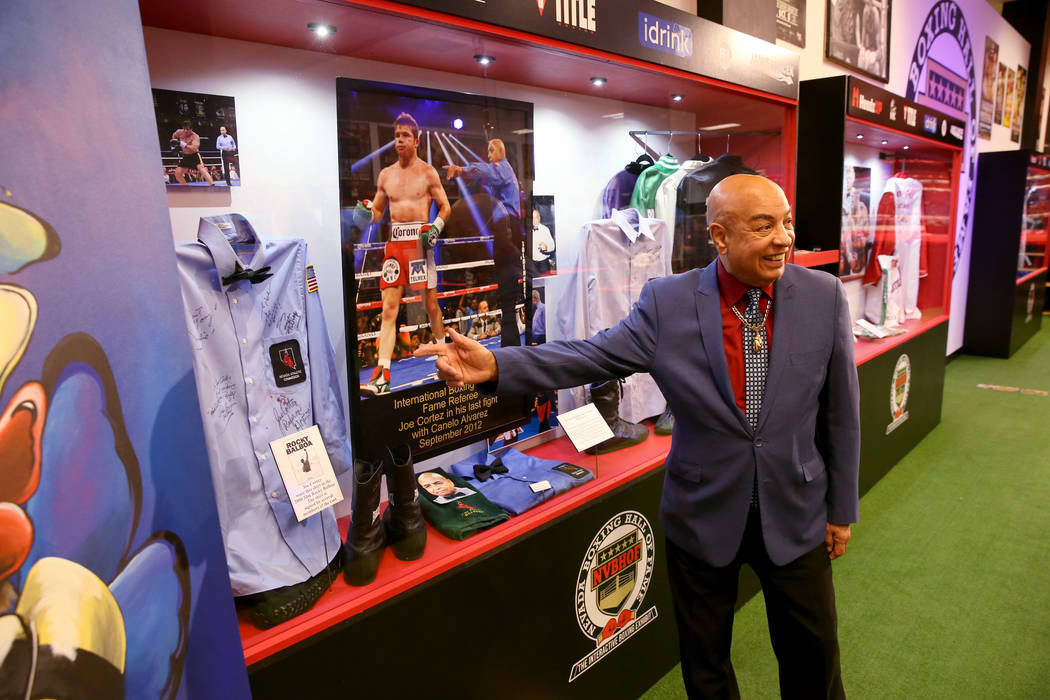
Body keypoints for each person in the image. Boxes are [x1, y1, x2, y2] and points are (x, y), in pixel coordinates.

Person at [416, 174, 860, 699]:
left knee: (814, 658)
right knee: (706, 665)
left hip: (797, 510)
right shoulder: (668, 302)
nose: (783, 238)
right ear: (719, 236)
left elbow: (841, 413)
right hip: (702, 514)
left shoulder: (823, 296)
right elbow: (590, 355)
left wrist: (840, 509)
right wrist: (496, 366)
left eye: (786, 223)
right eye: (764, 227)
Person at [359, 112, 451, 395]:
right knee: (388, 310)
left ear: (416, 140)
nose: (399, 140)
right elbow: (377, 212)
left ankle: (445, 356)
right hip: (395, 245)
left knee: (431, 306)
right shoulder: (385, 174)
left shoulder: (428, 172)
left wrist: (435, 228)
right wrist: (366, 213)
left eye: (405, 135)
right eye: (397, 135)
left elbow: (445, 207)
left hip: (419, 245)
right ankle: (382, 374)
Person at [445, 138, 524, 348]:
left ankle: (510, 345)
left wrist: (462, 170)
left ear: (498, 151)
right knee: (505, 292)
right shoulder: (505, 175)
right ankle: (511, 344)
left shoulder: (502, 169)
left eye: (491, 151)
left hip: (508, 229)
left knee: (507, 288)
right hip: (508, 230)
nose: (488, 155)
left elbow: (485, 171)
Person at [170, 121, 215, 186]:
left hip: (194, 156)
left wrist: (183, 144)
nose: (185, 131)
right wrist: (174, 145)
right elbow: (174, 135)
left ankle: (212, 185)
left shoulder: (195, 136)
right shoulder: (179, 132)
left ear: (191, 129)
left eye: (187, 129)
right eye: (184, 129)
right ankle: (185, 187)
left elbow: (194, 148)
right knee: (178, 173)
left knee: (202, 170)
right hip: (185, 156)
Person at [531, 209, 555, 274]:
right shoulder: (527, 230)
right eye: (532, 218)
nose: (534, 220)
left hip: (543, 263)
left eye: (536, 217)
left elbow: (552, 246)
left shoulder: (545, 229)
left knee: (545, 282)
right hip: (532, 263)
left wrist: (546, 247)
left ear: (539, 218)